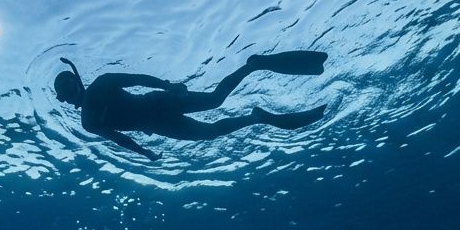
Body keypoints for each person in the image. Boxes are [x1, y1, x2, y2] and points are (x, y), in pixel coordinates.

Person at [53, 51, 329, 160]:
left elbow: (137, 79)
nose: (70, 95)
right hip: (159, 124)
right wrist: (145, 152)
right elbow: (120, 139)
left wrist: (168, 86)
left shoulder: (101, 84)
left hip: (160, 101)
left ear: (77, 82)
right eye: (64, 94)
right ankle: (257, 117)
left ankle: (253, 66)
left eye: (68, 86)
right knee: (210, 133)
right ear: (64, 99)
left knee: (215, 100)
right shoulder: (88, 123)